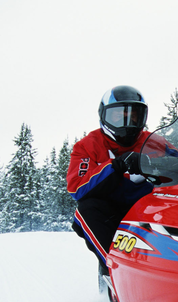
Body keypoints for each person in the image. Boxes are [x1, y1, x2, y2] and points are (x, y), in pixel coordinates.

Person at [67, 85, 154, 271]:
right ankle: (114, 269)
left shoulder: (152, 142)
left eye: (133, 115)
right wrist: (115, 166)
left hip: (148, 207)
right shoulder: (87, 146)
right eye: (119, 115)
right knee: (85, 209)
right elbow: (77, 187)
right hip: (111, 211)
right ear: (105, 116)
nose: (127, 121)